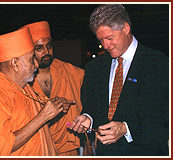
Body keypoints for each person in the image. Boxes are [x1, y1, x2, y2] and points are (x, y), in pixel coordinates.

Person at [68, 4, 169, 156]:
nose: (106, 45)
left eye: (110, 38)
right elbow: (91, 106)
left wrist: (126, 128)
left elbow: (164, 116)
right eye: (101, 39)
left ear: (126, 28)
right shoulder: (94, 68)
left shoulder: (159, 63)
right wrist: (88, 118)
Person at [0, 27, 75, 156]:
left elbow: (30, 126)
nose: (37, 65)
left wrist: (54, 109)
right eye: (31, 59)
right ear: (15, 63)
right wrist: (43, 116)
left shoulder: (24, 87)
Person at [20, 21, 85, 156]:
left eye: (49, 46)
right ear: (29, 51)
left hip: (67, 150)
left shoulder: (70, 73)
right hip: (34, 149)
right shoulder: (21, 80)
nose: (46, 51)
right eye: (39, 48)